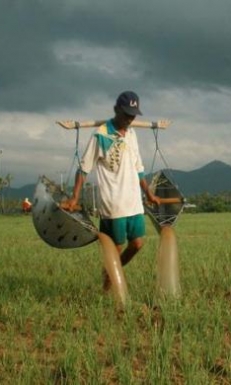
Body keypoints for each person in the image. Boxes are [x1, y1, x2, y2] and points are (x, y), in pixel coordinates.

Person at [61, 91, 161, 290]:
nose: (129, 119)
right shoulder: (101, 135)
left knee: (137, 245)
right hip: (113, 203)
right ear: (116, 109)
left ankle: (112, 272)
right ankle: (107, 290)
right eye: (126, 114)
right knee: (114, 249)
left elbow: (138, 167)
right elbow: (84, 168)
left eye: (133, 115)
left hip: (133, 202)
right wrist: (74, 196)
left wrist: (148, 193)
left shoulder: (131, 134)